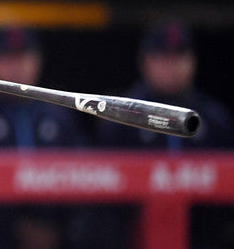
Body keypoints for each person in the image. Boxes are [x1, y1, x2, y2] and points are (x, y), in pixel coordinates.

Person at [95, 19, 234, 249]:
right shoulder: (119, 117)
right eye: (162, 57)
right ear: (145, 61)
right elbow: (102, 198)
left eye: (179, 56)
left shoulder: (215, 119)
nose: (172, 66)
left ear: (193, 60)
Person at [0, 26, 89, 249]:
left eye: (24, 56)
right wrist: (18, 229)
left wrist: (55, 229)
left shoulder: (59, 116)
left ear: (38, 59)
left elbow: (82, 182)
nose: (17, 66)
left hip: (56, 237)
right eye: (7, 58)